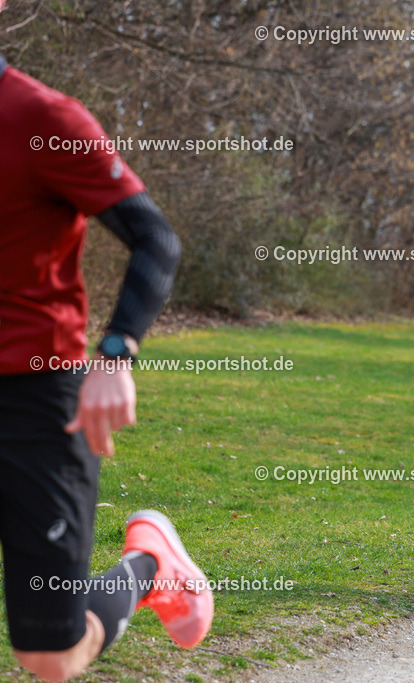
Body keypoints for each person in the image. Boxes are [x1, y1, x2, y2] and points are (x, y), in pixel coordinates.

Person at [0, 28, 213, 681]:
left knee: (50, 655)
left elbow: (156, 240)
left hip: (34, 400)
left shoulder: (42, 119)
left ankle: (152, 566)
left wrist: (115, 353)